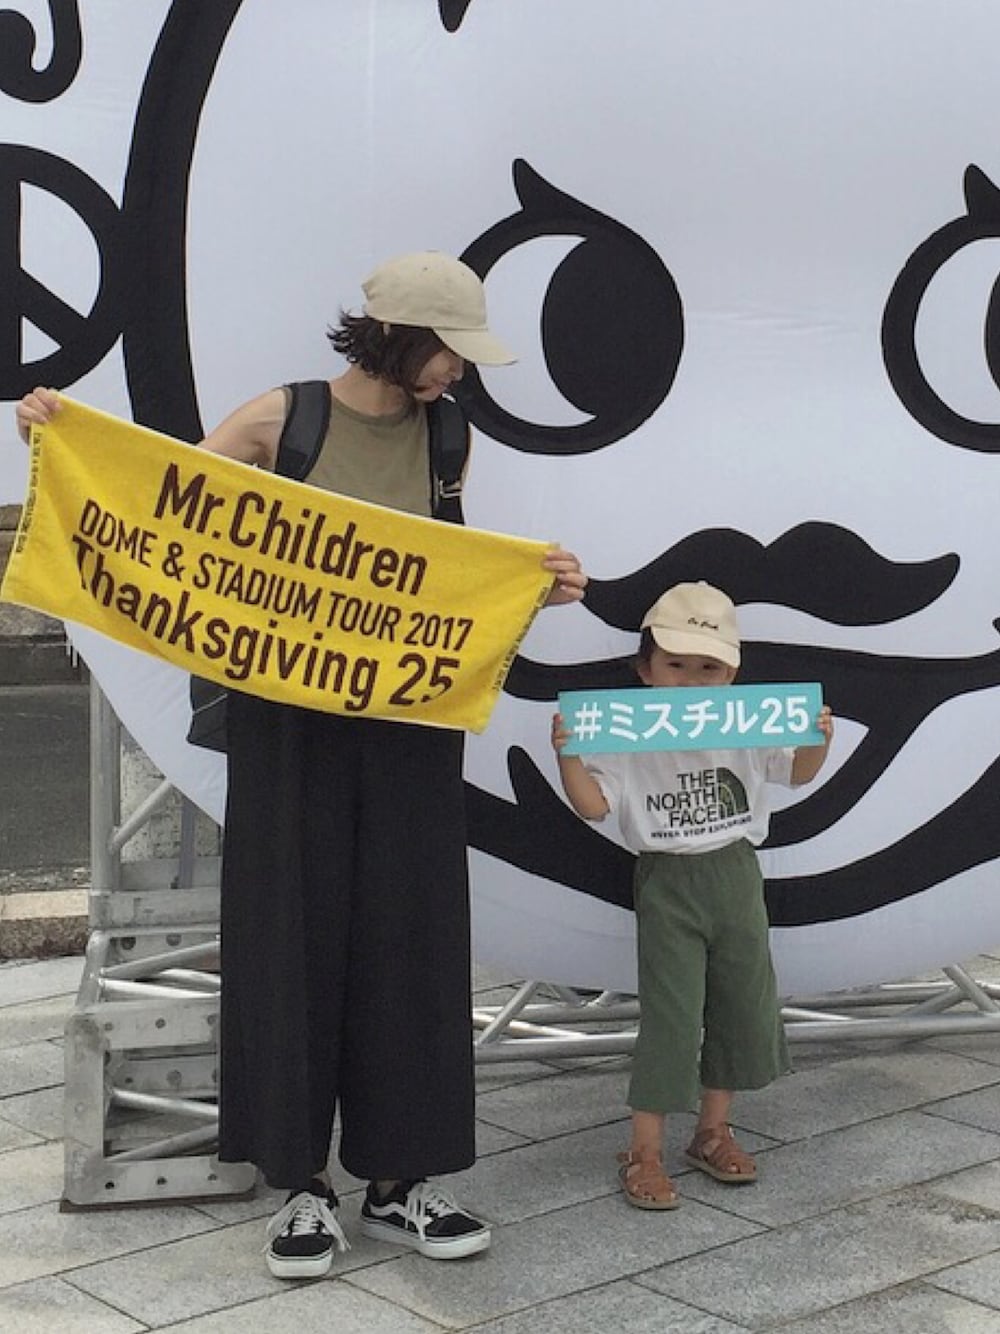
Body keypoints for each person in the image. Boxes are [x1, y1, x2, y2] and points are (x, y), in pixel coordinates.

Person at [15, 250, 587, 1277]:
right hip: (287, 720)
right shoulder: (283, 419)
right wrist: (62, 438)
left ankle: (401, 1178)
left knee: (412, 939)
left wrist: (527, 588)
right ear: (398, 336)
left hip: (408, 720)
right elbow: (158, 508)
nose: (459, 371)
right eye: (449, 351)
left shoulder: (449, 435)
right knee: (287, 936)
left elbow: (441, 574)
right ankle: (302, 1186)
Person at [550, 580, 832, 1210]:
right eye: (676, 665)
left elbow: (797, 771)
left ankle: (712, 1131)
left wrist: (819, 736)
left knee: (739, 1004)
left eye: (709, 668)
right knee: (671, 1017)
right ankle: (643, 1151)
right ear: (645, 669)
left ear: (732, 673)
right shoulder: (625, 732)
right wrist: (568, 756)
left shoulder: (748, 725)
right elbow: (594, 806)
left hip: (736, 873)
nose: (692, 680)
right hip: (668, 878)